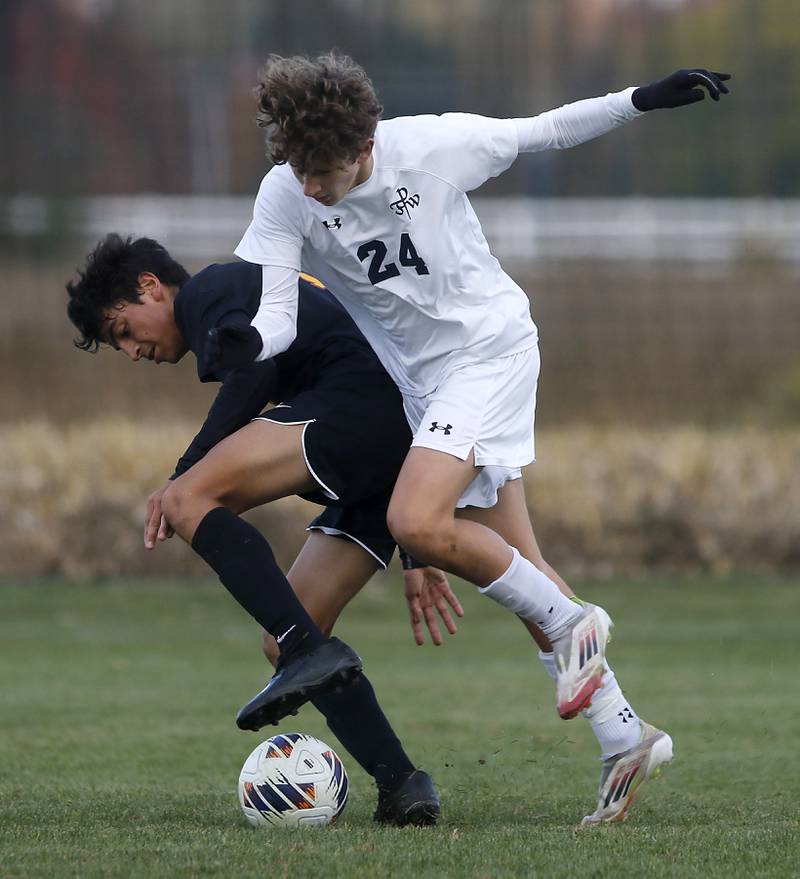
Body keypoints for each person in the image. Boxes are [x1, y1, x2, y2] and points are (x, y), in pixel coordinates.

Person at [217, 55, 730, 824]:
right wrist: (249, 342)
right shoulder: (286, 192)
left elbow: (546, 130)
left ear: (366, 144)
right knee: (520, 567)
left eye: (325, 170)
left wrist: (642, 100)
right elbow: (280, 315)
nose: (313, 187)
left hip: (489, 351)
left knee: (415, 522)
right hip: (427, 390)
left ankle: (574, 621)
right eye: (300, 168)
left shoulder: (433, 145)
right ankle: (624, 734)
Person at [64, 233, 450, 826]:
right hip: (394, 450)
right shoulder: (236, 299)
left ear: (150, 286)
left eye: (123, 330)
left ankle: (304, 650)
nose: (133, 351)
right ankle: (403, 784)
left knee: (189, 498)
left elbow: (254, 373)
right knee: (291, 632)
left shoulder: (214, 291)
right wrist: (415, 545)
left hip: (359, 410)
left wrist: (181, 476)